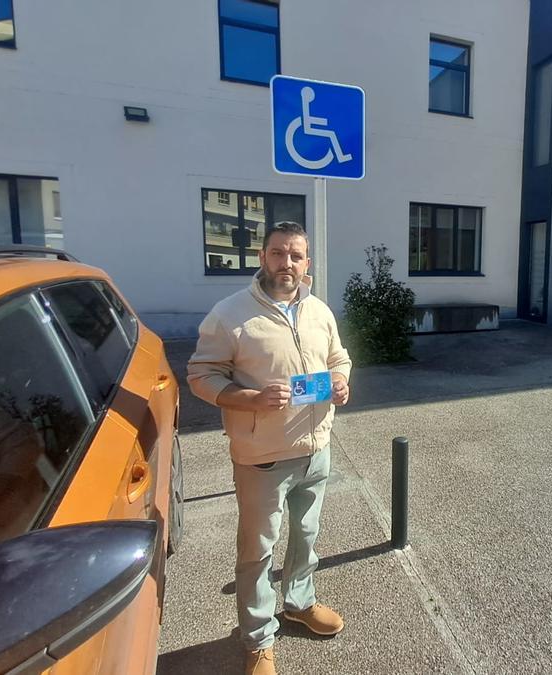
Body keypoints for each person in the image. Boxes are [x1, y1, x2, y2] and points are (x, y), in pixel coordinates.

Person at [187, 221, 352, 675]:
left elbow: (339, 358)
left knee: (306, 536)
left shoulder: (318, 310)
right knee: (257, 551)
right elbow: (201, 375)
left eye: (295, 255)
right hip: (263, 458)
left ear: (307, 262)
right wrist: (250, 399)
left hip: (317, 448)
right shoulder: (229, 313)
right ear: (262, 258)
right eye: (278, 253)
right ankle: (258, 639)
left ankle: (300, 603)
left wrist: (340, 381)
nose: (287, 263)